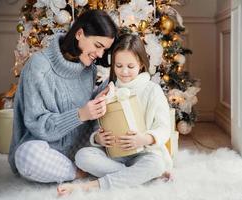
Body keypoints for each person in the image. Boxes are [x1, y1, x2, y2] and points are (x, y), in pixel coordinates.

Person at [8, 10, 118, 183]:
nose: (100, 55)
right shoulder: (39, 66)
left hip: (82, 149)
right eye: (98, 46)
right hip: (47, 150)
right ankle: (77, 172)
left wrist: (101, 96)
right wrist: (81, 114)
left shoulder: (89, 69)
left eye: (105, 49)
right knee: (26, 156)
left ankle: (87, 166)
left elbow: (83, 107)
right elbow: (38, 125)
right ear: (80, 34)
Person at [57, 34, 173, 195]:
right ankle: (138, 176)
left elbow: (163, 127)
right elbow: (98, 124)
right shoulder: (108, 89)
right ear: (113, 65)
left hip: (143, 153)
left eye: (130, 66)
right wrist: (98, 138)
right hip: (114, 155)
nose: (124, 72)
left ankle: (91, 186)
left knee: (156, 164)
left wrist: (144, 138)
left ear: (140, 64)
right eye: (119, 66)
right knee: (83, 156)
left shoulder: (152, 90)